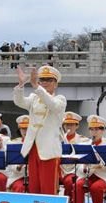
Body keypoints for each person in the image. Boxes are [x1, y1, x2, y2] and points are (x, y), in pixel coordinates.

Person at [13, 65, 66, 195]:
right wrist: (20, 86)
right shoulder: (34, 98)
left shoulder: (60, 99)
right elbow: (19, 102)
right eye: (42, 80)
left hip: (49, 148)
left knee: (48, 188)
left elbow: (53, 105)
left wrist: (37, 87)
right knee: (34, 187)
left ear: (55, 84)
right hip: (33, 147)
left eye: (49, 80)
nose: (45, 83)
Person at [60, 112, 89, 202]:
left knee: (69, 181)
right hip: (59, 170)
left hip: (73, 171)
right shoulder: (58, 139)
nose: (69, 127)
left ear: (77, 126)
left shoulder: (84, 141)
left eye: (72, 125)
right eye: (67, 124)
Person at [4, 115, 30, 193]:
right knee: (20, 187)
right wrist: (19, 165)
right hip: (18, 177)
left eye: (27, 129)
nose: (25, 131)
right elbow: (10, 166)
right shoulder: (13, 143)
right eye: (23, 129)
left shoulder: (38, 144)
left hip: (33, 177)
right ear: (19, 129)